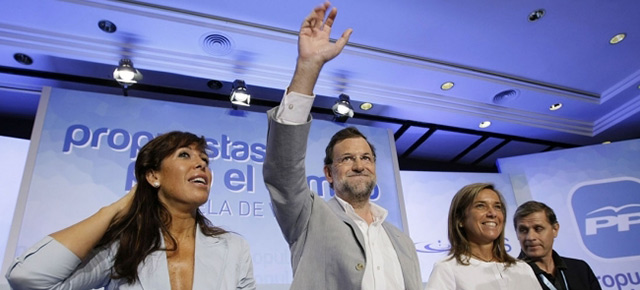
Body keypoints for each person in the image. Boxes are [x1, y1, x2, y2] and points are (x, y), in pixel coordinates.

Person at [262, 2, 422, 289]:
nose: (359, 165)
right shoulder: (308, 217)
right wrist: (308, 67)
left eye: (366, 158)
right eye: (347, 159)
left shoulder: (402, 241)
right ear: (328, 173)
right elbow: (282, 171)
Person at [6, 131, 255, 290]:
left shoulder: (232, 247)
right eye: (184, 155)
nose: (200, 163)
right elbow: (29, 279)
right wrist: (118, 207)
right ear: (153, 175)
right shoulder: (126, 245)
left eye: (204, 160)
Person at [424, 183, 541, 290]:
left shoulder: (522, 268)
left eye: (497, 207)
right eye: (481, 206)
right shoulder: (447, 269)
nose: (492, 213)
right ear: (460, 219)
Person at [514, 201, 602, 290]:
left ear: (555, 229)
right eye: (523, 230)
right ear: (517, 234)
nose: (531, 237)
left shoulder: (580, 269)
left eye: (538, 229)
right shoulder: (511, 277)